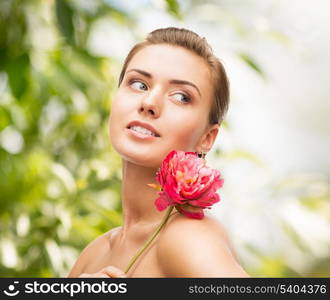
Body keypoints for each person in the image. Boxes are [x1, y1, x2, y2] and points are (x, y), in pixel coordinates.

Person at [67, 27, 249, 278]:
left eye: (181, 97)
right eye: (139, 84)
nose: (149, 103)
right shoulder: (94, 254)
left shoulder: (187, 238)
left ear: (207, 138)